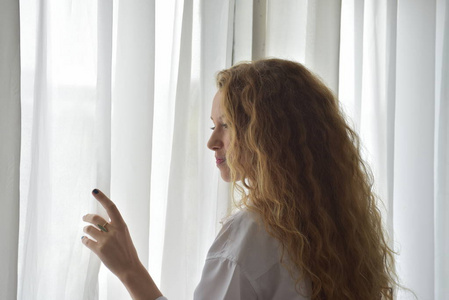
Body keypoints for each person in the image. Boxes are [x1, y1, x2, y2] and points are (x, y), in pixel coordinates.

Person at [81, 58, 397, 299]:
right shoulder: (335, 228)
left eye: (226, 125)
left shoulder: (252, 232)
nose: (212, 142)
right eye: (212, 126)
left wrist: (129, 270)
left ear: (270, 134)